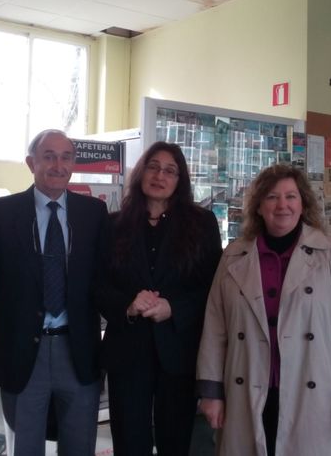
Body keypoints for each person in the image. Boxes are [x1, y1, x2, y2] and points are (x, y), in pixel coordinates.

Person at [197, 164, 331, 455]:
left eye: (291, 196)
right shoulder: (233, 256)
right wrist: (211, 391)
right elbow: (216, 327)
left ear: (302, 203)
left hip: (315, 394)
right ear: (258, 206)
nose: (283, 205)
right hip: (247, 388)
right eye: (272, 197)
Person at [0, 129, 108, 456]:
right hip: (22, 352)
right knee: (25, 447)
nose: (58, 165)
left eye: (66, 157)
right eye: (48, 156)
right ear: (30, 162)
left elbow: (102, 278)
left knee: (79, 446)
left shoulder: (93, 214)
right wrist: (19, 319)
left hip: (77, 351)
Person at [96, 142, 222, 456]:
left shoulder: (202, 225)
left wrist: (174, 308)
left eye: (170, 170)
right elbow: (97, 284)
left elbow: (214, 289)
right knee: (129, 441)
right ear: (140, 172)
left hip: (179, 352)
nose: (159, 175)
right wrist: (127, 304)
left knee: (175, 441)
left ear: (180, 180)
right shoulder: (113, 225)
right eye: (153, 166)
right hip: (127, 351)